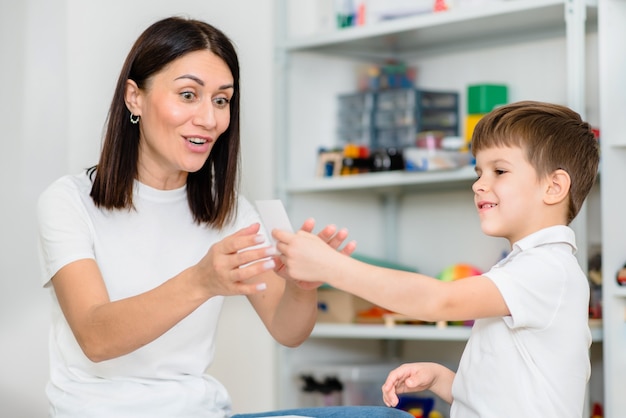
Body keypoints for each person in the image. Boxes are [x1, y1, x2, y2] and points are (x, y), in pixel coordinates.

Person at [37, 16, 412, 418]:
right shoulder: (70, 201)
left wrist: (302, 287)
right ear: (134, 97)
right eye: (187, 95)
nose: (209, 119)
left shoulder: (228, 210)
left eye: (221, 100)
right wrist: (201, 281)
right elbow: (96, 337)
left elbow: (288, 331)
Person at [273, 101, 600, 418]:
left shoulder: (547, 268)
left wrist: (330, 266)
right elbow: (507, 397)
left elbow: (438, 301)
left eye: (499, 170)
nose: (479, 184)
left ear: (554, 187)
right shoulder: (526, 266)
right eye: (479, 171)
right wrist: (444, 380)